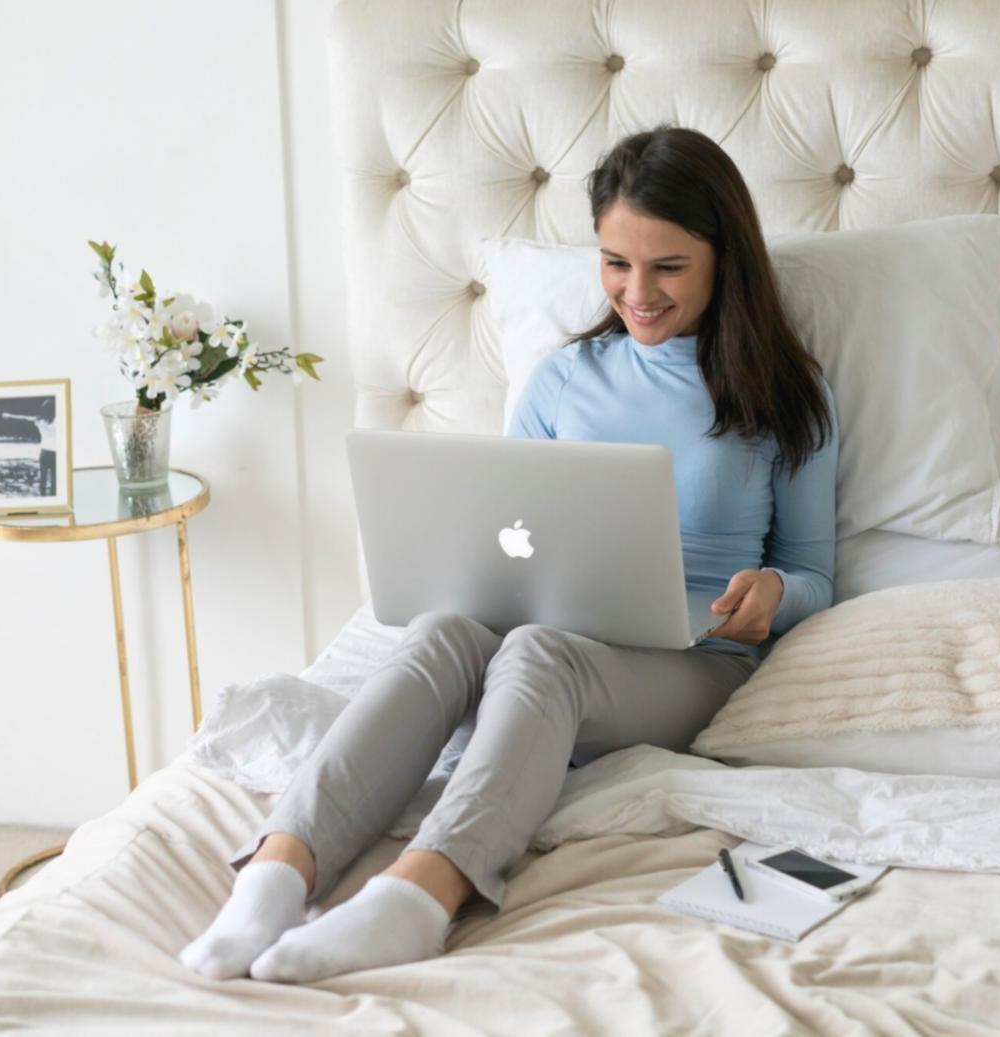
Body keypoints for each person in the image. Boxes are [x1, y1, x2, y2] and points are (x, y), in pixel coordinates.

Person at [178, 124, 840, 984]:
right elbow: (504, 520)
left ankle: (419, 895)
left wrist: (774, 592)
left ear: (725, 258)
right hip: (538, 630)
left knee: (540, 653)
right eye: (615, 262)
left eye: (668, 267)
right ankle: (278, 872)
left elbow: (818, 575)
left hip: (692, 657)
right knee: (446, 629)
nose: (637, 291)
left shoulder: (786, 393)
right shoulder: (564, 380)